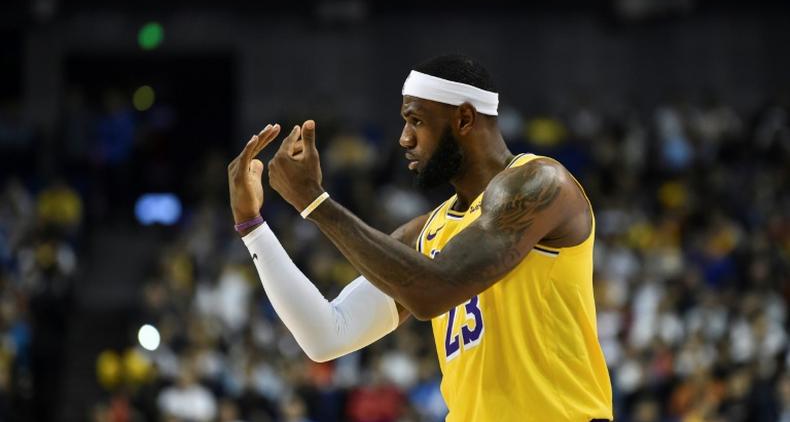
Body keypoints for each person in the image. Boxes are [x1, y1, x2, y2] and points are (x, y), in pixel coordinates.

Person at [227, 55, 613, 421]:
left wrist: (315, 203)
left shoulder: (541, 183)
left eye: (416, 121)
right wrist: (252, 227)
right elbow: (327, 334)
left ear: (463, 118)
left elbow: (435, 290)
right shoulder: (425, 232)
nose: (404, 139)